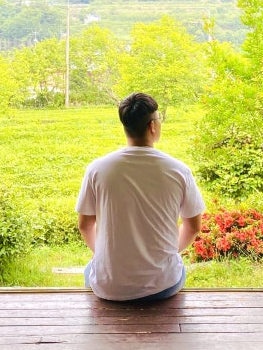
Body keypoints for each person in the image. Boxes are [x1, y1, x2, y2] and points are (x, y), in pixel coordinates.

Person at [75, 92, 205, 302]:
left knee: (90, 269)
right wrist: (167, 255)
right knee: (178, 270)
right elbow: (193, 227)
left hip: (108, 287)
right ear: (153, 126)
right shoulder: (179, 170)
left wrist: (103, 257)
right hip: (163, 285)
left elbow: (85, 225)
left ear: (125, 127)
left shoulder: (97, 169)